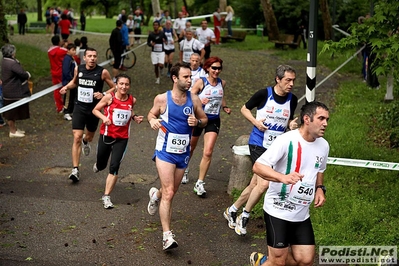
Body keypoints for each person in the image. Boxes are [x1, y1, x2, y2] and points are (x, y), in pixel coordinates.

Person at [249, 101, 330, 266]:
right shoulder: (286, 140)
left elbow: (320, 168)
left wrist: (320, 188)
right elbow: (258, 166)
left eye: (327, 119)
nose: (325, 123)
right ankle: (266, 261)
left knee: (305, 260)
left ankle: (263, 261)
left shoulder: (324, 145)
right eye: (321, 118)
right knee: (278, 261)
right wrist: (282, 177)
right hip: (278, 210)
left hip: (301, 213)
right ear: (307, 119)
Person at [223, 65, 299, 236]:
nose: (291, 84)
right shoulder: (264, 94)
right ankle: (245, 216)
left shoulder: (292, 99)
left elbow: (288, 122)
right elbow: (244, 108)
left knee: (254, 185)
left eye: (293, 80)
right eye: (288, 80)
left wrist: (291, 125)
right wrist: (255, 122)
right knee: (264, 183)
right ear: (278, 79)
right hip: (258, 143)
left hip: (276, 147)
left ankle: (232, 210)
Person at [146, 63, 208, 251]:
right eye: (186, 77)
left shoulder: (194, 100)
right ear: (175, 78)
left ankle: (154, 195)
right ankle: (167, 236)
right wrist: (152, 120)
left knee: (170, 191)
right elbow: (151, 113)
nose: (190, 80)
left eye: (190, 77)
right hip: (164, 151)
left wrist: (197, 121)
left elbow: (205, 120)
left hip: (183, 154)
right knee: (170, 192)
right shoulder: (162, 99)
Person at [59, 48, 115, 183]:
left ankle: (86, 141)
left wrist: (104, 94)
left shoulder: (103, 72)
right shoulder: (79, 69)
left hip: (94, 110)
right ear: (84, 58)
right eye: (89, 56)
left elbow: (114, 87)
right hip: (79, 107)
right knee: (76, 136)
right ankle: (75, 170)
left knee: (89, 137)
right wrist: (66, 87)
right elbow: (74, 82)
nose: (92, 58)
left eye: (94, 56)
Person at [92, 74, 143, 209]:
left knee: (114, 167)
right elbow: (95, 110)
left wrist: (135, 117)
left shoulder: (132, 99)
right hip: (107, 136)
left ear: (129, 86)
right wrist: (104, 118)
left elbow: (129, 111)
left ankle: (106, 196)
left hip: (122, 138)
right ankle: (98, 165)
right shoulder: (109, 98)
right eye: (121, 84)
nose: (123, 87)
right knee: (102, 164)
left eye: (126, 84)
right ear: (116, 85)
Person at [184, 57, 231, 196]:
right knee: (191, 147)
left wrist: (225, 106)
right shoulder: (201, 82)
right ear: (208, 68)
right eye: (214, 68)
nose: (216, 71)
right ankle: (184, 169)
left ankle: (200, 182)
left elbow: (221, 96)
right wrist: (199, 101)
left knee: (208, 151)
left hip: (214, 120)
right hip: (199, 118)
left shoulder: (222, 82)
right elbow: (188, 97)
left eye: (219, 68)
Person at [1, 44, 31, 138]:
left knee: (12, 111)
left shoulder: (4, 61)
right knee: (11, 112)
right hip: (13, 91)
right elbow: (22, 73)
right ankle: (12, 131)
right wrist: (27, 74)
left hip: (8, 89)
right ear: (12, 53)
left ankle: (14, 129)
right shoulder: (12, 63)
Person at [48, 35, 67, 114]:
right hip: (61, 72)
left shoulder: (49, 51)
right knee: (64, 88)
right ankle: (64, 105)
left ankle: (59, 106)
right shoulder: (61, 51)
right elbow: (69, 52)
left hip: (53, 72)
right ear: (59, 41)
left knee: (56, 90)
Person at [62, 43, 77, 121]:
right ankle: (66, 111)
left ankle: (71, 110)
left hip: (73, 81)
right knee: (68, 97)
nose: (74, 52)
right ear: (68, 50)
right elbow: (66, 71)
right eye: (73, 50)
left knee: (73, 97)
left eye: (75, 50)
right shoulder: (67, 59)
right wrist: (71, 79)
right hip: (69, 82)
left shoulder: (72, 58)